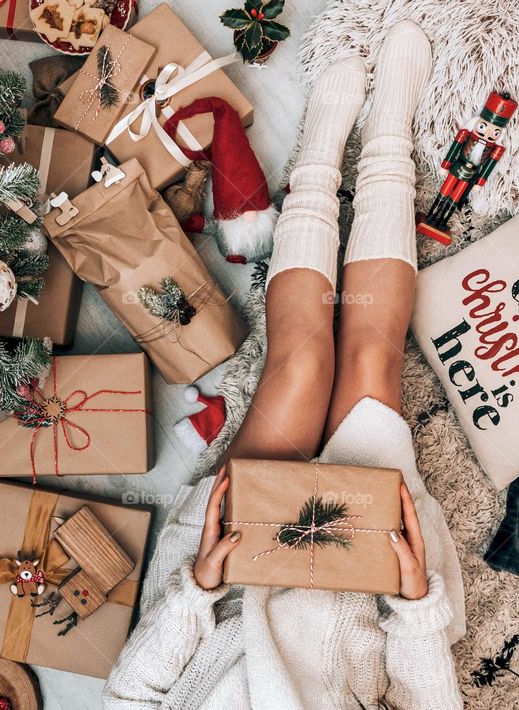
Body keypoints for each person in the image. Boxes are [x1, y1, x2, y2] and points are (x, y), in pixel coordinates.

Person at [104, 21, 465, 709]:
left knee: (299, 364)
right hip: (362, 588)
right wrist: (416, 605)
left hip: (233, 577)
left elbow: (129, 697)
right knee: (369, 361)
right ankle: (391, 130)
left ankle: (321, 157)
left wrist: (199, 589)